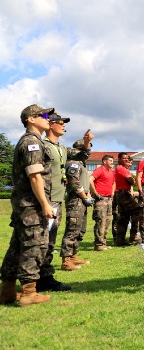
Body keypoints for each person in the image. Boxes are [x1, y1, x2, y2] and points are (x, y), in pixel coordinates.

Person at [0, 105, 56, 306]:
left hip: (24, 205)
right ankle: (29, 292)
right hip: (31, 204)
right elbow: (34, 176)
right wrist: (45, 204)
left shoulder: (29, 141)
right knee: (34, 245)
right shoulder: (32, 142)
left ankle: (6, 291)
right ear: (31, 119)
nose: (48, 119)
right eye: (44, 116)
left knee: (17, 246)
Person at [39, 112, 92, 292]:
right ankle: (37, 279)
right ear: (50, 124)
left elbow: (82, 154)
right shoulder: (42, 145)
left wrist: (86, 142)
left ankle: (45, 277)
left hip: (57, 199)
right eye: (60, 122)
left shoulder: (61, 148)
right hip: (47, 198)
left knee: (51, 239)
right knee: (43, 239)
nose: (64, 126)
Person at [60, 149, 94, 270]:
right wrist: (85, 197)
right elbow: (74, 182)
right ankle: (66, 260)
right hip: (76, 200)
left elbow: (84, 184)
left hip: (82, 200)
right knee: (72, 229)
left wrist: (88, 195)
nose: (88, 153)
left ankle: (73, 256)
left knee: (80, 229)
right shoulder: (73, 164)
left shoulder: (81, 164)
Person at [113, 153, 142, 245]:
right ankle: (133, 236)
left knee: (124, 217)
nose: (126, 160)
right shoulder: (121, 168)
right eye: (124, 158)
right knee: (136, 210)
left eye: (127, 158)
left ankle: (120, 240)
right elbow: (131, 181)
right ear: (119, 159)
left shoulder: (122, 169)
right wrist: (133, 181)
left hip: (122, 193)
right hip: (123, 193)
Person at [90, 154, 116, 250]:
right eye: (110, 161)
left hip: (109, 199)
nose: (112, 162)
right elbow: (90, 179)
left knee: (108, 221)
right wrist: (95, 192)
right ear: (105, 161)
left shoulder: (111, 172)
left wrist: (112, 193)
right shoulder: (99, 170)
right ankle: (98, 244)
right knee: (101, 221)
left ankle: (103, 242)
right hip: (101, 199)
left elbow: (114, 182)